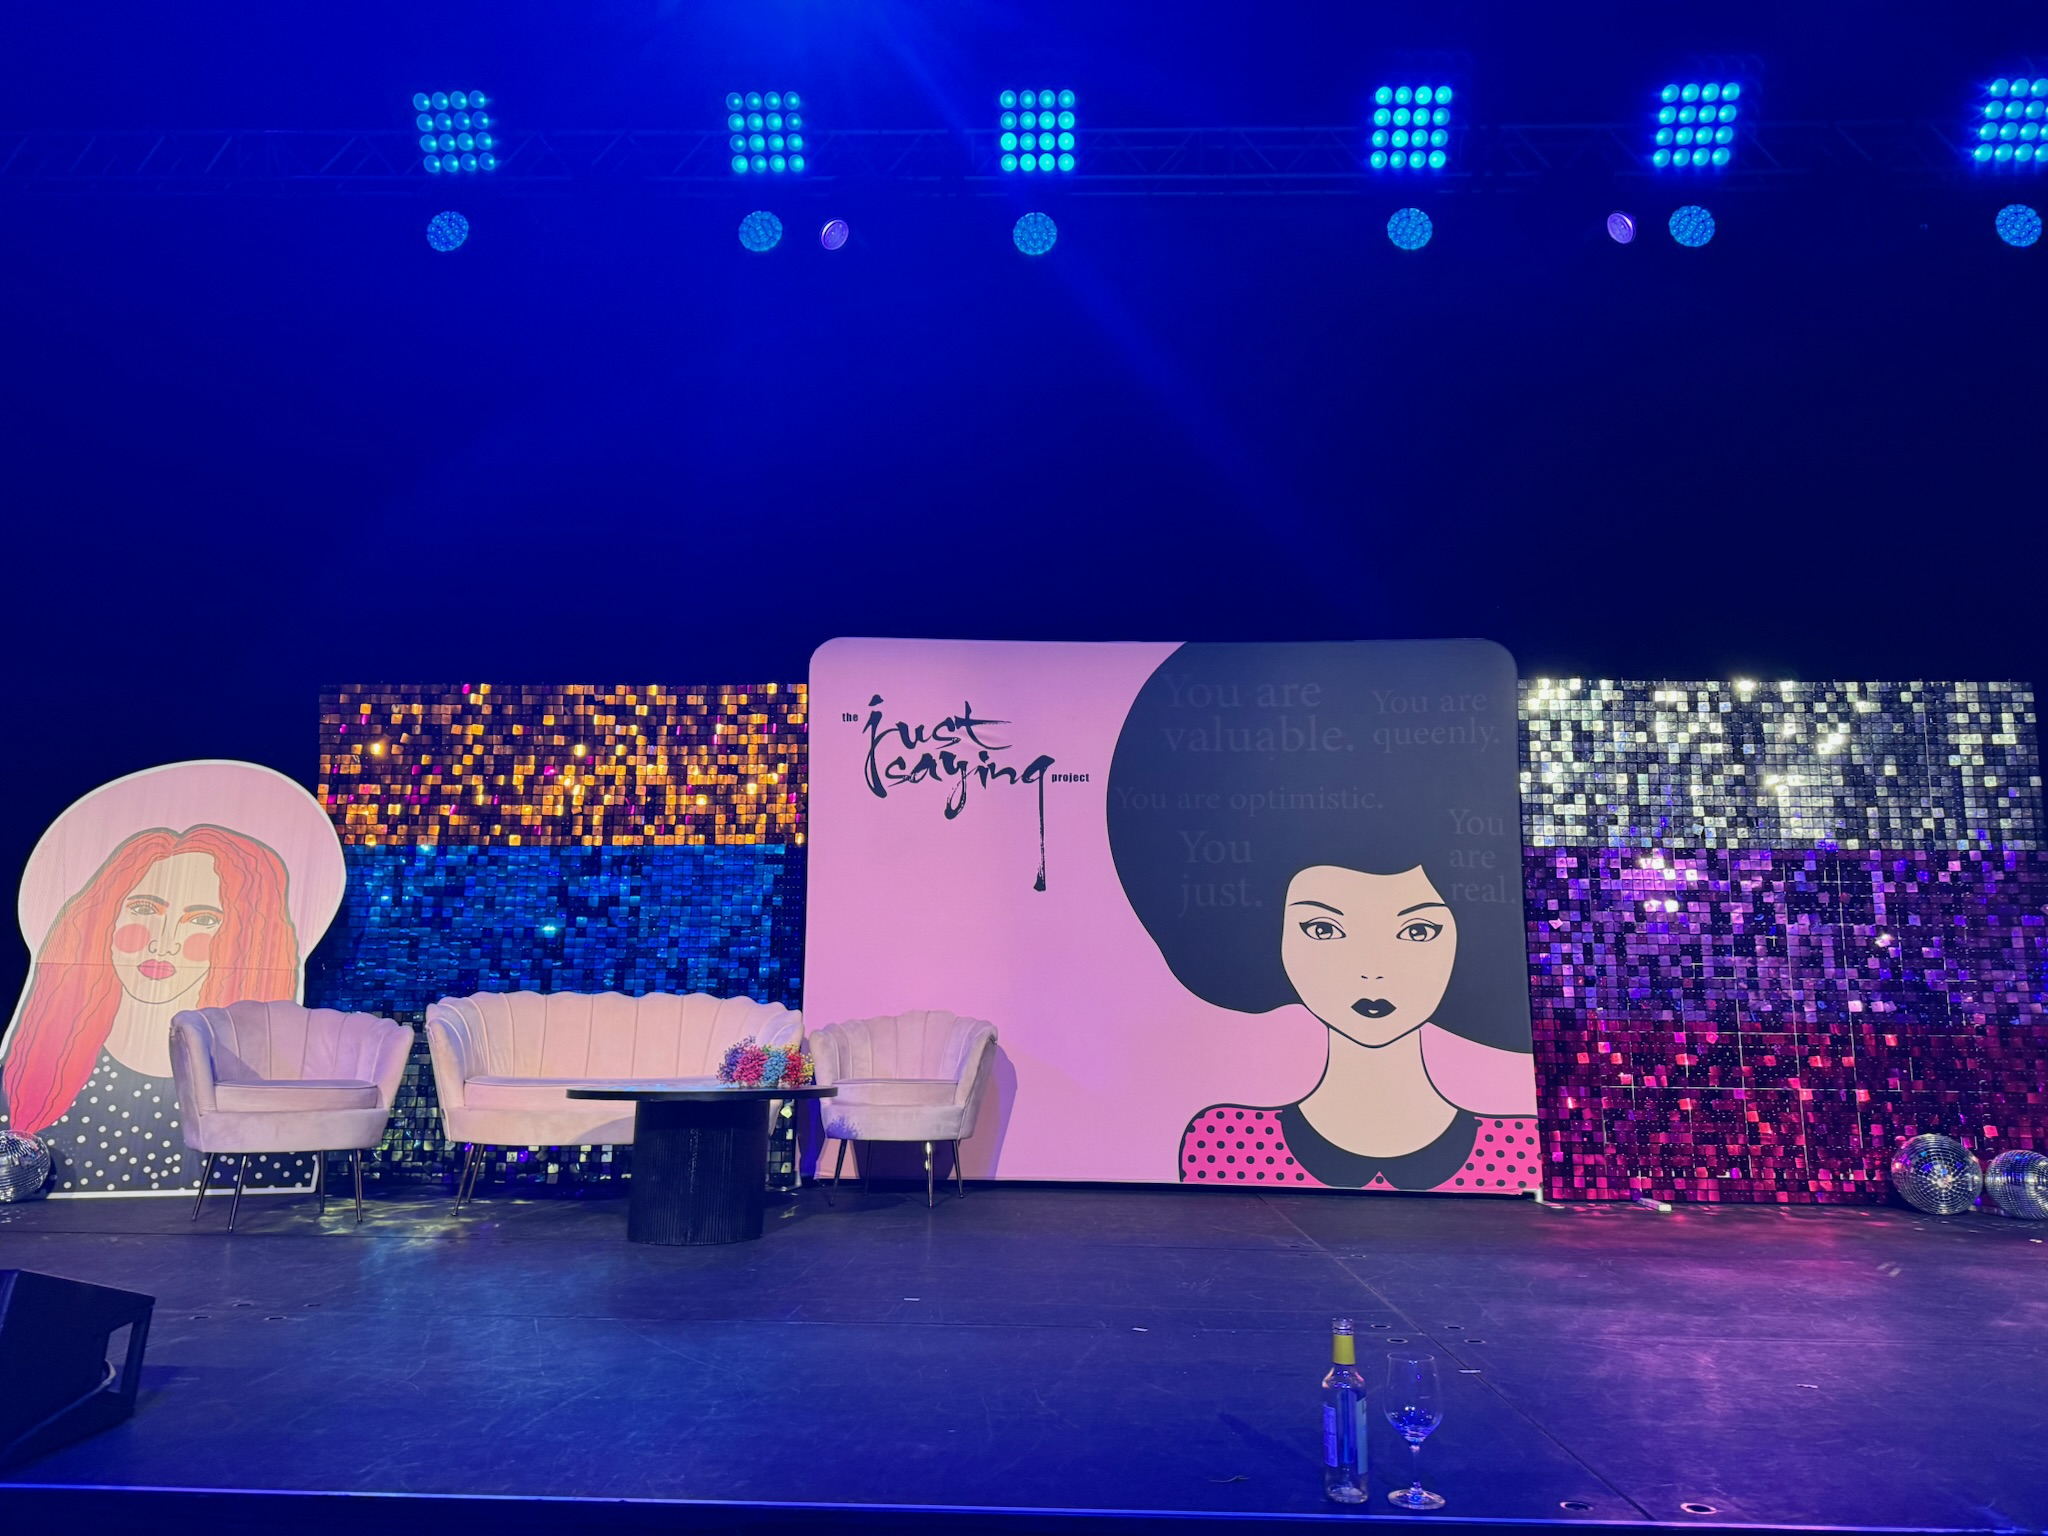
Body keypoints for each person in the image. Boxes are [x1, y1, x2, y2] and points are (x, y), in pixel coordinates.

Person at [1106, 642, 1537, 1192]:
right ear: (1275, 934)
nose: (1372, 970)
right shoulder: (1225, 1143)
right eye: (1324, 929)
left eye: (1417, 930)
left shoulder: (1518, 1150)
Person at [0, 824, 300, 1191]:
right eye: (144, 909)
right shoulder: (33, 1074)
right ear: (106, 917)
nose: (164, 943)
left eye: (203, 920)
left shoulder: (257, 1084)